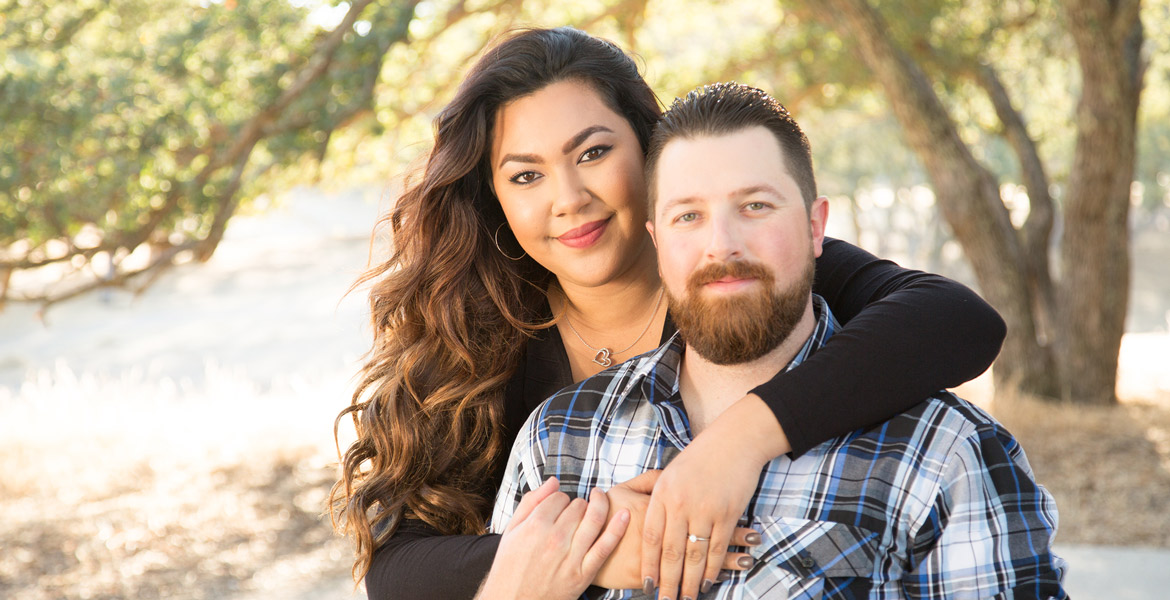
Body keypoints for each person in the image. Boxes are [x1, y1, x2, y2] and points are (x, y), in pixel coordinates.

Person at [331, 27, 1008, 600]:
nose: (568, 197)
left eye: (593, 152)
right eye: (526, 174)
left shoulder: (734, 276)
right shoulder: (478, 335)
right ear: (496, 199)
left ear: (650, 152)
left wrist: (738, 443)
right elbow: (394, 568)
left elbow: (958, 320)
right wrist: (579, 552)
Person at [491, 82, 1066, 599]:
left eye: (755, 206)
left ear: (817, 226)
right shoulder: (558, 440)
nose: (722, 245)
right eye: (688, 217)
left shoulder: (943, 456)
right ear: (657, 240)